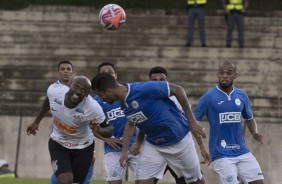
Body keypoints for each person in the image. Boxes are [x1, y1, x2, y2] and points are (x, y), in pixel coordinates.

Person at [91, 73, 210, 184]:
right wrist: (135, 144)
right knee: (142, 181)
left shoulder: (143, 89)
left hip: (178, 141)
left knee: (195, 181)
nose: (101, 99)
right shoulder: (123, 104)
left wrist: (192, 121)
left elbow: (178, 90)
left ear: (108, 91)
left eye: (101, 95)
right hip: (154, 144)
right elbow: (138, 122)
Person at [27, 76, 114, 184]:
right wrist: (37, 121)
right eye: (76, 87)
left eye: (83, 90)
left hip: (84, 147)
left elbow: (109, 130)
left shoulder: (92, 108)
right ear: (70, 84)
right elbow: (49, 100)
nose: (78, 92)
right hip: (59, 143)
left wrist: (98, 129)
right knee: (66, 180)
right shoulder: (54, 90)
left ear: (87, 94)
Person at [193, 61, 264, 184]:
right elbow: (193, 122)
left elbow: (249, 118)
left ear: (235, 75)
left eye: (229, 73)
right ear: (217, 74)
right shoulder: (208, 97)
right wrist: (202, 148)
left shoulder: (242, 95)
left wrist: (254, 133)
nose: (224, 75)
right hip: (221, 154)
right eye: (221, 72)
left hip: (243, 151)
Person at [93, 62, 138, 184]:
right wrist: (107, 139)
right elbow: (92, 126)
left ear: (116, 75)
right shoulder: (96, 102)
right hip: (113, 148)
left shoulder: (128, 92)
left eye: (110, 73)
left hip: (135, 146)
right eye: (103, 73)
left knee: (145, 181)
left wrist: (140, 141)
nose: (107, 75)